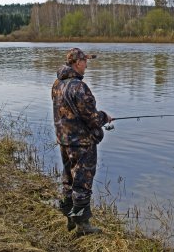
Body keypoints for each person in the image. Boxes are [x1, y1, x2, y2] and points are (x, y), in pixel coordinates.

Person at [51, 48, 111, 235]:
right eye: (85, 61)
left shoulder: (56, 84)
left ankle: (69, 216)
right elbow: (92, 118)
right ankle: (82, 225)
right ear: (77, 63)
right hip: (82, 143)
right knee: (82, 183)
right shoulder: (79, 87)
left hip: (64, 140)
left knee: (68, 179)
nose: (86, 64)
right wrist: (105, 117)